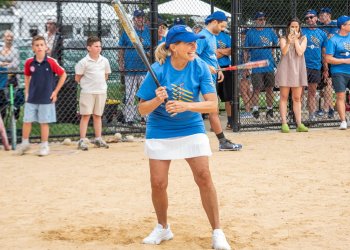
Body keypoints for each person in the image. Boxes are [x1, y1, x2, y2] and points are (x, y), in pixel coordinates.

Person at [136, 25, 231, 250]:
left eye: (194, 42)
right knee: (158, 183)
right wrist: (157, 100)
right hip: (160, 130)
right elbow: (142, 110)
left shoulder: (199, 66)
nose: (194, 46)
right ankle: (163, 228)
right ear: (173, 47)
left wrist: (185, 105)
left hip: (191, 127)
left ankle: (217, 232)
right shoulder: (158, 71)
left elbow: (212, 105)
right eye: (188, 43)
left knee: (204, 176)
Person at [197, 11, 242, 151]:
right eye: (222, 26)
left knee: (212, 109)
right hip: (203, 78)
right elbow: (193, 56)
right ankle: (221, 141)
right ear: (215, 22)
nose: (223, 29)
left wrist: (218, 68)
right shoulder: (203, 36)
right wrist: (207, 67)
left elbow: (210, 55)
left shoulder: (213, 37)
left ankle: (222, 141)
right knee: (210, 109)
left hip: (211, 76)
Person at [16, 35, 67, 156]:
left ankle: (44, 145)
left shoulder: (51, 62)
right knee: (27, 121)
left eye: (41, 45)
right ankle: (25, 143)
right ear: (33, 48)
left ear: (46, 47)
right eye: (37, 45)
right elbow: (27, 77)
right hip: (32, 98)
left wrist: (55, 92)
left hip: (46, 98)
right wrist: (27, 92)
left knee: (44, 122)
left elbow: (63, 74)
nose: (39, 47)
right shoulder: (29, 62)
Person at [75, 36, 111, 150]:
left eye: (100, 46)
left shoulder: (104, 61)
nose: (98, 48)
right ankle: (82, 140)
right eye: (96, 46)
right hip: (88, 92)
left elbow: (106, 75)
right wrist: (88, 85)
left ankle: (98, 138)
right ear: (89, 48)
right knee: (85, 115)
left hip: (101, 91)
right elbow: (77, 78)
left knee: (98, 116)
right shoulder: (83, 62)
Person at [275, 18, 309, 133]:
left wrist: (295, 41)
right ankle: (284, 123)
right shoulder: (283, 38)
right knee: (284, 97)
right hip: (286, 69)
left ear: (299, 28)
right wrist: (289, 41)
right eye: (292, 27)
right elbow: (284, 52)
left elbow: (300, 52)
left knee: (297, 98)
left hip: (298, 69)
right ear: (288, 27)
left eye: (296, 27)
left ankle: (299, 123)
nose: (294, 29)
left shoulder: (304, 38)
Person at [244, 12, 279, 120]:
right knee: (256, 89)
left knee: (270, 89)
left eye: (264, 19)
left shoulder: (269, 31)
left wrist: (271, 54)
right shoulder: (250, 33)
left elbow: (275, 43)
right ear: (255, 21)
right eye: (260, 19)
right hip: (256, 66)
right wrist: (246, 66)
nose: (262, 21)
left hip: (268, 65)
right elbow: (246, 51)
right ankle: (255, 110)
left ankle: (269, 110)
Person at [118, 9, 150, 125]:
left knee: (144, 94)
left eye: (141, 17)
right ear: (134, 19)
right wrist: (121, 63)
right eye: (137, 17)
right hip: (130, 68)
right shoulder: (128, 31)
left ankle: (145, 117)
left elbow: (152, 48)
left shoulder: (148, 31)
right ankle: (129, 118)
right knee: (130, 95)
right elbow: (121, 48)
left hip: (144, 69)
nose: (140, 19)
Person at [301, 9, 328, 121]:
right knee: (300, 92)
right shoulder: (302, 31)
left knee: (312, 92)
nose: (309, 19)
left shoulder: (322, 34)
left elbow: (324, 53)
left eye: (311, 17)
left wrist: (325, 68)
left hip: (316, 66)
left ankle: (311, 115)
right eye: (307, 18)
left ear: (316, 18)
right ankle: (297, 116)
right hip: (302, 66)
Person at [325, 15, 350, 130]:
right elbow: (328, 58)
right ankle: (343, 121)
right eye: (349, 24)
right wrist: (345, 61)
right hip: (339, 71)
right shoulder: (333, 40)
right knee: (341, 95)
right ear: (342, 26)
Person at [317, 7, 338, 119]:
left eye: (323, 14)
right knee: (323, 85)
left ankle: (328, 108)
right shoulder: (319, 27)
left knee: (328, 82)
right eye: (320, 14)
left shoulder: (335, 24)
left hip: (332, 57)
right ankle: (326, 108)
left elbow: (331, 39)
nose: (321, 16)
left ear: (329, 15)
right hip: (321, 58)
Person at [216, 30, 234, 129]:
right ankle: (215, 122)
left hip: (226, 68)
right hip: (213, 69)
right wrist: (225, 51)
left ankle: (230, 121)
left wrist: (218, 51)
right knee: (214, 96)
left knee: (229, 97)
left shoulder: (226, 36)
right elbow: (211, 54)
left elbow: (231, 51)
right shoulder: (209, 36)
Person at [0, 30, 20, 119]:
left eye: (11, 37)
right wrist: (7, 64)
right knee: (2, 98)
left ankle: (15, 117)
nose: (9, 38)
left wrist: (2, 64)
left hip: (12, 77)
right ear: (3, 38)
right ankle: (2, 117)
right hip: (1, 77)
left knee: (14, 98)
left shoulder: (15, 51)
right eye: (7, 36)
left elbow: (15, 65)